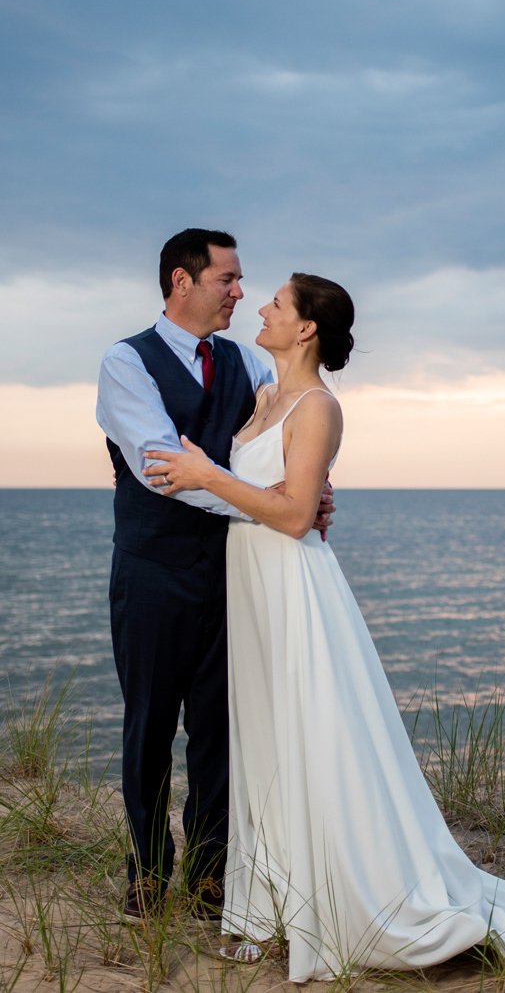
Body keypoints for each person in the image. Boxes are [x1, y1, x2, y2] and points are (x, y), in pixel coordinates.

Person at [143, 273, 505, 982]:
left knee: (313, 739)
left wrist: (204, 472)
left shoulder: (319, 406)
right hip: (253, 588)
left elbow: (291, 516)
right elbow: (287, 494)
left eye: (278, 304)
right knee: (266, 743)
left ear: (307, 327)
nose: (261, 306)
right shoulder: (264, 395)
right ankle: (268, 908)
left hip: (294, 586)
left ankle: (345, 901)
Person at [96, 229, 332, 924]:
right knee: (147, 730)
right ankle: (145, 872)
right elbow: (164, 467)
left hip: (233, 571)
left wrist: (313, 487)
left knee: (220, 731)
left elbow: (283, 432)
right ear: (182, 282)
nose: (239, 293)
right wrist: (272, 504)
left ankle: (208, 877)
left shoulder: (241, 363)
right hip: (153, 574)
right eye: (227, 279)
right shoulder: (125, 363)